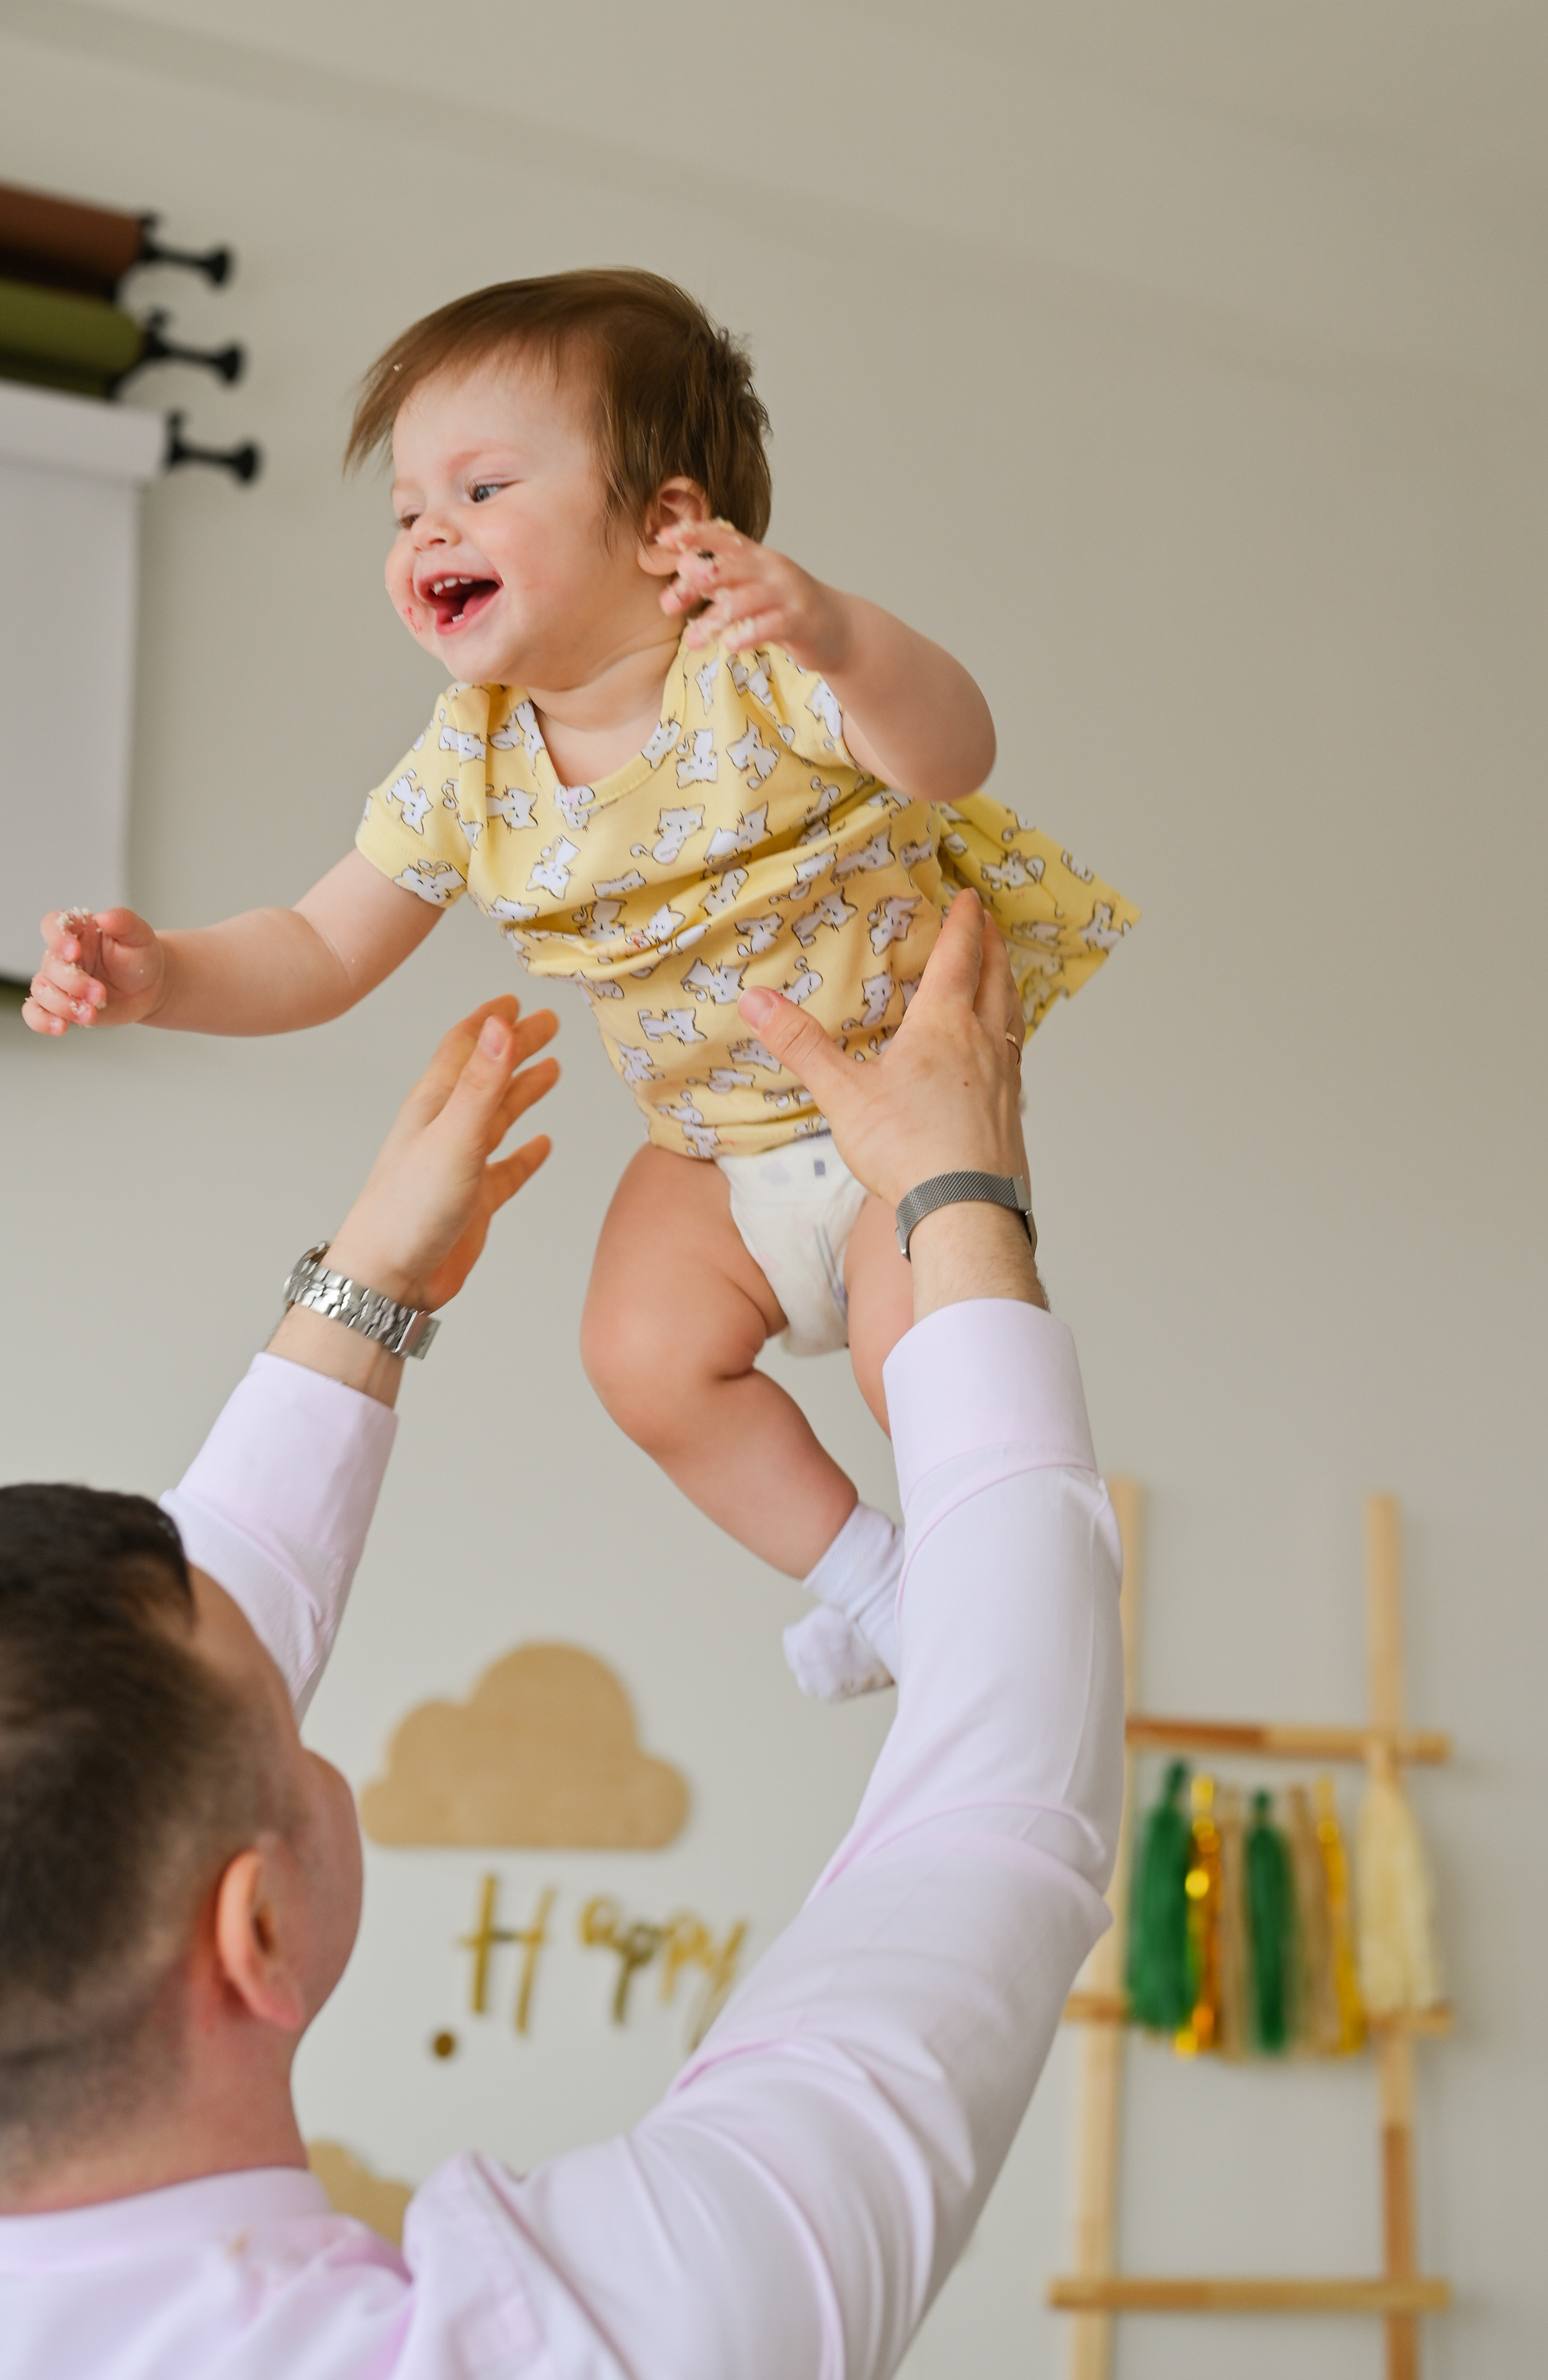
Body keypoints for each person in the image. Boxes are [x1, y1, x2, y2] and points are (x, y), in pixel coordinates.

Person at [0, 890, 1124, 2380]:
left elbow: (142, 1672)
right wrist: (959, 1195)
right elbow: (994, 1821)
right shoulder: (574, 2348)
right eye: (279, 1714)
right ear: (253, 1929)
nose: (278, 1653)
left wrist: (369, 1285)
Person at [20, 268, 1136, 1703]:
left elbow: (950, 753)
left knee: (905, 1354)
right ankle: (877, 1584)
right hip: (709, 1153)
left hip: (895, 1128)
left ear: (668, 524)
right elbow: (317, 946)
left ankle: (1004, 1591)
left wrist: (844, 635)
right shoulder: (466, 760)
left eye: (480, 489)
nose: (429, 531)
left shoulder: (759, 668)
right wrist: (164, 973)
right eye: (406, 511)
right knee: (636, 1356)